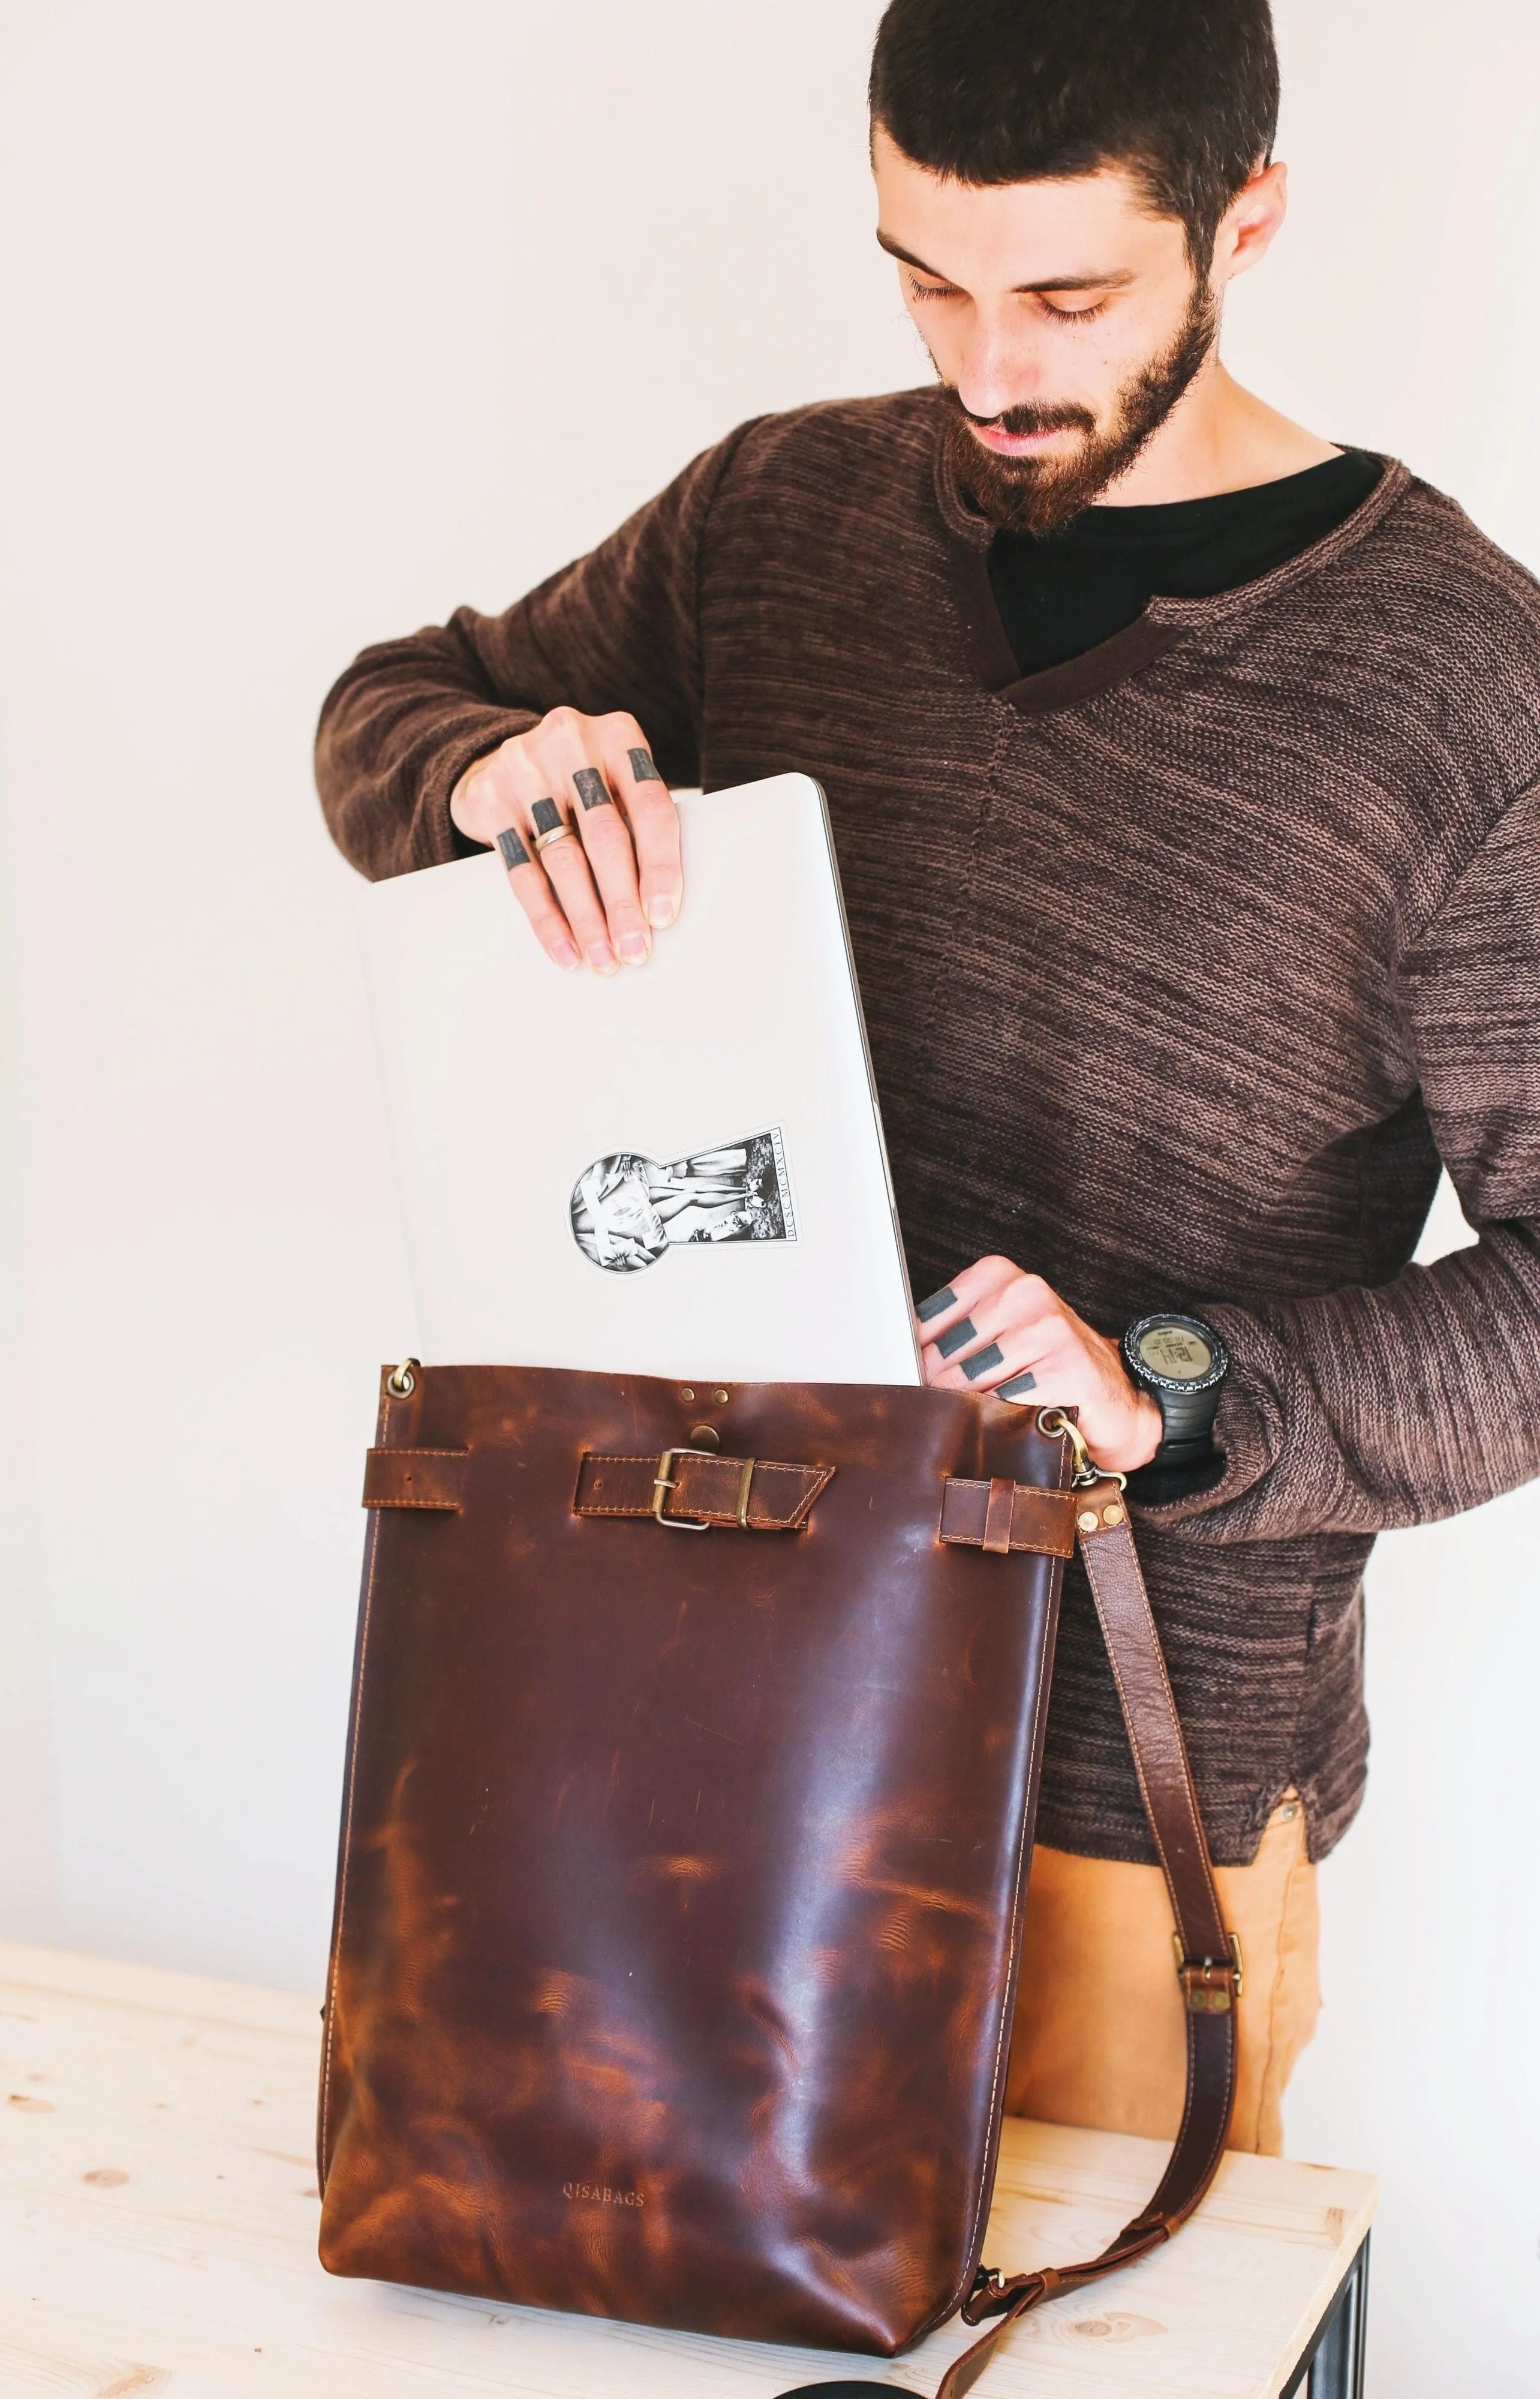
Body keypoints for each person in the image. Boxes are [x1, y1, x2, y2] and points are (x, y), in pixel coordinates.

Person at [315, 0, 1540, 2156]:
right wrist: (488, 772)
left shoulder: (1469, 697)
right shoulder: (780, 511)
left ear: (1245, 219)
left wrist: (1176, 1390)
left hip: (1116, 1774)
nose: (984, 371)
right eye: (924, 277)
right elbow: (399, 709)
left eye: (1066, 296)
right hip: (672, 1665)